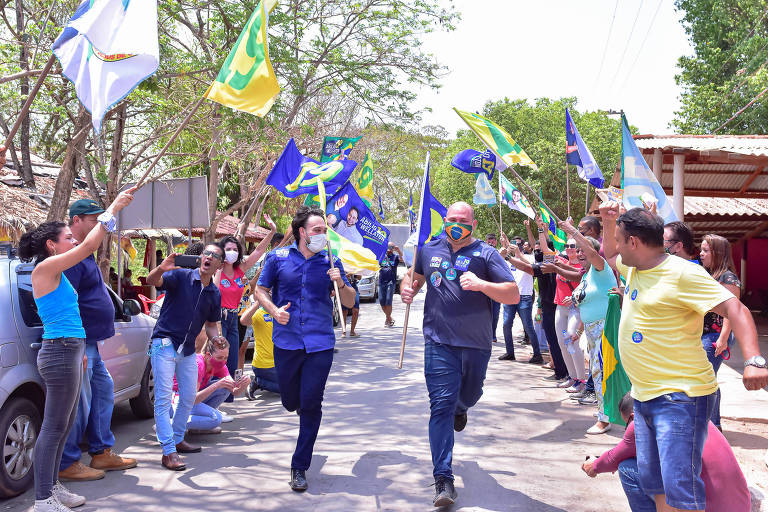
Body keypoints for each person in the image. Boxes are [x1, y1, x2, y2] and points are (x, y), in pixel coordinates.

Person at [600, 201, 768, 512]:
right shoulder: (636, 267)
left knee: (681, 490)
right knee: (657, 483)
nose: (616, 247)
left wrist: (754, 360)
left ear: (634, 242)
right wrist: (609, 222)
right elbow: (610, 254)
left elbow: (736, 308)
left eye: (621, 240)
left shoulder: (682, 274)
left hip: (681, 397)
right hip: (646, 395)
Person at [18, 188, 135, 512]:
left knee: (66, 423)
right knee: (54, 426)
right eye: (67, 237)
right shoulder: (46, 269)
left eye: (72, 236)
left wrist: (81, 350)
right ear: (52, 245)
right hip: (58, 352)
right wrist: (113, 207)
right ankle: (43, 499)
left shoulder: (55, 271)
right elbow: (88, 245)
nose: (72, 241)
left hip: (70, 349)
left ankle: (53, 487)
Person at [400, 202, 519, 507]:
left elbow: (513, 293)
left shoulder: (486, 254)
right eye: (451, 219)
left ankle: (461, 407)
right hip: (438, 341)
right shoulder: (429, 250)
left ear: (473, 224)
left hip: (476, 344)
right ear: (444, 221)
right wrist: (407, 288)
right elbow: (412, 277)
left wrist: (481, 285)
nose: (456, 224)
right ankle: (443, 478)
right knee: (439, 405)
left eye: (462, 220)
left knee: (469, 393)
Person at [254, 205, 356, 492]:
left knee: (311, 403)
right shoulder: (277, 258)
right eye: (317, 230)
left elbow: (349, 301)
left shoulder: (331, 261)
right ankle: (298, 404)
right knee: (290, 401)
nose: (323, 235)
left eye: (325, 231)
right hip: (286, 342)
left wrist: (340, 283)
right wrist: (274, 311)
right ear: (302, 232)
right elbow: (260, 291)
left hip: (321, 343)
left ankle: (299, 465)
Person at [56, 200, 138, 484]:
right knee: (79, 405)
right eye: (94, 220)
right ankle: (67, 462)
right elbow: (68, 304)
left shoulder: (83, 254)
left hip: (91, 343)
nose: (99, 225)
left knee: (103, 393)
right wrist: (78, 347)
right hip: (79, 343)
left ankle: (101, 450)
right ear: (76, 221)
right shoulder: (73, 255)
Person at [581, 393, 751, 512]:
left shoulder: (642, 420)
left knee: (627, 468)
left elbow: (613, 458)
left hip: (706, 507)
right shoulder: (689, 411)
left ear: (633, 416)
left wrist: (593, 465)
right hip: (740, 505)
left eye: (627, 424)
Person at [146, 242, 225, 471]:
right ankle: (168, 451)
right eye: (206, 253)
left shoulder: (213, 293)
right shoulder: (180, 276)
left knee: (188, 396)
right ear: (201, 258)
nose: (209, 257)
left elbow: (210, 325)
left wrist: (216, 339)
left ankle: (178, 438)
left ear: (219, 264)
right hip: (164, 344)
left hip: (188, 349)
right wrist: (162, 268)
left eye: (215, 255)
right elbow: (152, 281)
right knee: (162, 399)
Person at [558, 220, 617, 434]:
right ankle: (606, 410)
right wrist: (579, 332)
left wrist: (573, 232)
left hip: (605, 330)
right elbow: (587, 304)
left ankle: (604, 419)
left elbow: (592, 252)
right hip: (592, 331)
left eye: (582, 250)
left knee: (601, 372)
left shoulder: (601, 269)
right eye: (577, 251)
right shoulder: (587, 276)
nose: (579, 254)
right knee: (598, 372)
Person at [216, 214, 276, 399]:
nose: (232, 252)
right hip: (218, 319)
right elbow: (213, 291)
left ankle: (228, 398)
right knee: (218, 359)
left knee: (233, 359)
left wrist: (272, 231)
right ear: (222, 251)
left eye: (235, 249)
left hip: (234, 319)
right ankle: (214, 397)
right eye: (228, 249)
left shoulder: (239, 269)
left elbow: (258, 251)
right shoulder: (216, 270)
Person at [700, 234, 741, 430]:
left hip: (716, 336)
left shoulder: (728, 277)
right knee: (707, 379)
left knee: (707, 379)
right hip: (705, 335)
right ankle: (711, 425)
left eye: (706, 250)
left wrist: (723, 338)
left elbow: (732, 312)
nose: (701, 254)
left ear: (717, 253)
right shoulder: (708, 275)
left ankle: (713, 426)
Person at [175, 336, 249, 434]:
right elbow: (191, 400)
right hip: (176, 400)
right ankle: (168, 425)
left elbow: (234, 391)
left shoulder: (220, 364)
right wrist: (216, 385)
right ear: (208, 355)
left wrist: (243, 384)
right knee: (216, 418)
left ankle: (197, 427)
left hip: (190, 400)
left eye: (226, 358)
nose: (223, 361)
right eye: (219, 358)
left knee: (225, 387)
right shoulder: (198, 364)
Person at [525, 217, 569, 382]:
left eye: (539, 250)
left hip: (556, 307)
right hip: (547, 307)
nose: (537, 252)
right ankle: (560, 369)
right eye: (535, 250)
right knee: (552, 340)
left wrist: (541, 230)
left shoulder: (552, 263)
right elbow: (526, 263)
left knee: (558, 341)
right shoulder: (541, 264)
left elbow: (544, 250)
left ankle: (562, 372)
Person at [540, 237, 587, 391]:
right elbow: (545, 249)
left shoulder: (583, 265)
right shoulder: (560, 260)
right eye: (566, 245)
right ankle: (572, 377)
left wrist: (573, 298)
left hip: (576, 309)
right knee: (562, 343)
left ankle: (581, 380)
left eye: (573, 246)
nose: (569, 248)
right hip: (560, 308)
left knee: (571, 342)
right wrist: (541, 230)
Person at [498, 235, 543, 363]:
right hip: (510, 296)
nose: (515, 246)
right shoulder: (508, 259)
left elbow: (532, 267)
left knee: (528, 326)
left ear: (522, 246)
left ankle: (537, 354)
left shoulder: (528, 257)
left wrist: (517, 254)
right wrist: (503, 253)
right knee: (506, 324)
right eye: (513, 243)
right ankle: (510, 352)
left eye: (518, 244)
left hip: (524, 297)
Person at [240, 301, 280, 396]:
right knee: (290, 389)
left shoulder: (282, 312)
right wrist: (259, 301)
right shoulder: (259, 313)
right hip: (264, 365)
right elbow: (244, 321)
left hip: (280, 363)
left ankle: (262, 381)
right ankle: (257, 382)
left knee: (298, 384)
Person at [379, 242, 402, 327]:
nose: (389, 248)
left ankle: (387, 319)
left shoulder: (395, 256)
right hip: (381, 281)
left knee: (388, 301)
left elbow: (402, 259)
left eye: (391, 247)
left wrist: (398, 250)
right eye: (388, 246)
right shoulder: (382, 256)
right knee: (382, 301)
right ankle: (389, 318)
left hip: (391, 282)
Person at [486, 233, 501, 342]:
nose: (491, 242)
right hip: (485, 289)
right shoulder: (482, 252)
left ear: (496, 242)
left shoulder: (500, 253)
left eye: (493, 240)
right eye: (489, 240)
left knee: (495, 314)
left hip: (496, 289)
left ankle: (493, 334)